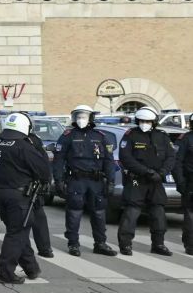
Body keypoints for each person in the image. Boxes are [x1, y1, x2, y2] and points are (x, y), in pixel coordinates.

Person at [0, 111, 52, 284]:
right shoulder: (23, 146)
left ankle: (31, 268)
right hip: (19, 196)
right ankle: (5, 273)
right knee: (16, 234)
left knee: (18, 232)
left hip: (0, 193)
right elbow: (43, 170)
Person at [52, 105, 117, 257]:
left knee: (99, 213)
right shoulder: (68, 136)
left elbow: (109, 161)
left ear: (91, 118)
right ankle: (73, 244)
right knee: (74, 212)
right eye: (78, 116)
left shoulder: (100, 136)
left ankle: (100, 243)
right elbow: (59, 160)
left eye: (84, 116)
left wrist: (111, 181)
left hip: (96, 181)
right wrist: (59, 180)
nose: (81, 119)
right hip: (76, 180)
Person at [117, 107, 175, 256]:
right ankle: (125, 244)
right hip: (136, 180)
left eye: (148, 121)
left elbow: (170, 157)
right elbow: (126, 158)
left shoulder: (162, 136)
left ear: (153, 122)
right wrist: (146, 171)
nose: (145, 124)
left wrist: (162, 172)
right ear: (137, 121)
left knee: (158, 212)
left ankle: (158, 244)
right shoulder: (130, 135)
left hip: (156, 180)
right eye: (142, 121)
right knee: (132, 211)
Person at [26, 123, 55, 259]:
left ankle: (44, 248)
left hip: (34, 184)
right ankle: (21, 245)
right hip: (17, 184)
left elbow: (43, 161)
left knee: (39, 217)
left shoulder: (34, 140)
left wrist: (46, 181)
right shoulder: (8, 139)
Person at [173, 113, 193, 255]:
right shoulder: (185, 139)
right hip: (190, 182)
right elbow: (177, 162)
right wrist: (180, 182)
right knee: (190, 216)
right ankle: (191, 245)